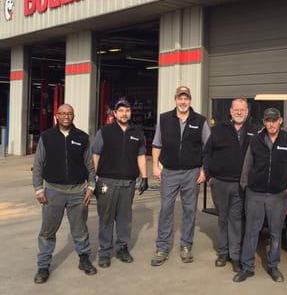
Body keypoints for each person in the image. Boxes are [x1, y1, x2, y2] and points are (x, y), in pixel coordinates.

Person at [32, 104, 97, 284]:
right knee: (47, 230)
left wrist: (91, 187)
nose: (66, 116)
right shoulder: (47, 137)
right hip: (53, 192)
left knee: (80, 229)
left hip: (78, 192)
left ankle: (84, 259)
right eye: (62, 113)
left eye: (69, 113)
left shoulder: (82, 137)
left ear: (73, 116)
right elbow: (38, 164)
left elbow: (89, 165)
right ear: (56, 116)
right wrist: (38, 188)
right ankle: (43, 266)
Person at [234, 108, 287, 283]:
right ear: (264, 122)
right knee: (251, 232)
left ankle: (273, 266)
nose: (271, 123)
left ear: (281, 121)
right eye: (268, 120)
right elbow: (247, 165)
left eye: (274, 120)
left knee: (276, 233)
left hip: (278, 195)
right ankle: (247, 267)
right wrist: (245, 186)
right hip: (255, 194)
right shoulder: (255, 140)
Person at [151, 86, 210, 266]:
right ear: (175, 100)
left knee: (190, 210)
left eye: (186, 98)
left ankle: (186, 246)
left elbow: (208, 147)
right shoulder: (164, 119)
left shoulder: (200, 121)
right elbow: (157, 144)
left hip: (192, 172)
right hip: (169, 172)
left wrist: (204, 169)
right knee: (166, 209)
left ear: (190, 100)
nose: (183, 102)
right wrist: (155, 166)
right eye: (180, 98)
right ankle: (162, 247)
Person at [92, 99, 148, 268]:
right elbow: (96, 155)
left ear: (130, 113)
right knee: (106, 218)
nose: (124, 113)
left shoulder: (137, 133)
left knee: (125, 218)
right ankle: (105, 252)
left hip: (128, 183)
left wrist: (144, 177)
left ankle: (122, 248)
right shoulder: (104, 132)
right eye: (121, 110)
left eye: (127, 110)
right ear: (114, 113)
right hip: (106, 182)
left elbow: (141, 156)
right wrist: (92, 179)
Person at [203, 98, 256, 272]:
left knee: (236, 221)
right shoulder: (218, 129)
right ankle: (222, 253)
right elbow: (207, 153)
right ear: (231, 111)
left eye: (243, 109)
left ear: (247, 112)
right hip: (220, 184)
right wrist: (210, 176)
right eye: (236, 109)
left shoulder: (254, 132)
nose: (239, 112)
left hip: (240, 185)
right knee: (223, 219)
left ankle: (234, 255)